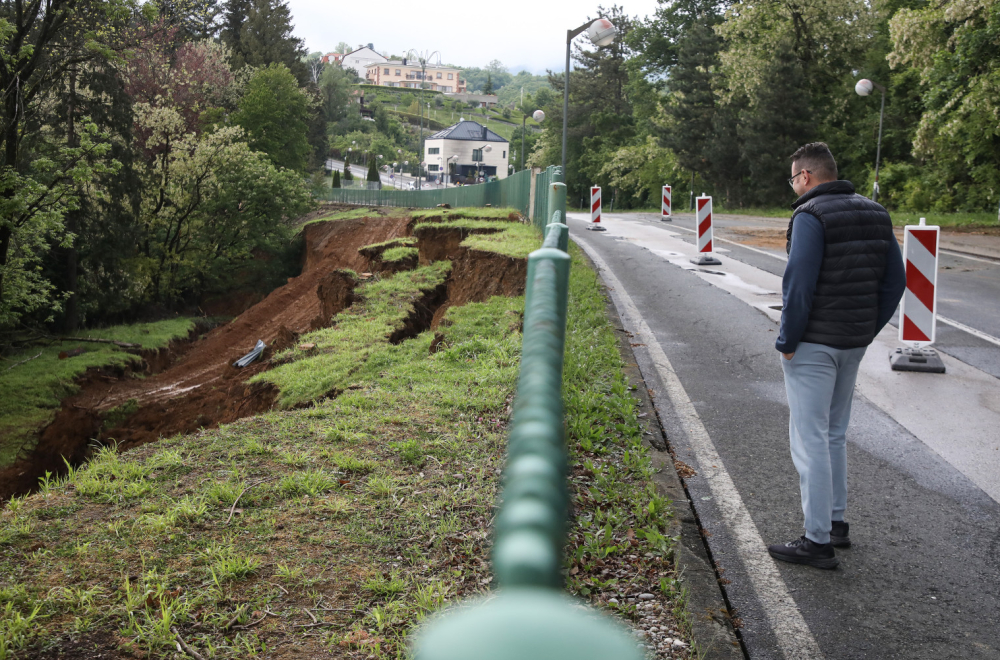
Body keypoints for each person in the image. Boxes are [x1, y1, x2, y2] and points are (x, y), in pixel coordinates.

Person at [768, 142, 906, 569]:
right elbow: (895, 282)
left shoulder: (810, 215)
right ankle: (836, 523)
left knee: (808, 438)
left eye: (793, 178)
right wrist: (866, 329)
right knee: (833, 433)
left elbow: (800, 284)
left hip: (812, 344)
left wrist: (787, 340)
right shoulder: (875, 212)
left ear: (805, 177)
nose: (793, 186)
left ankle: (816, 541)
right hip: (852, 344)